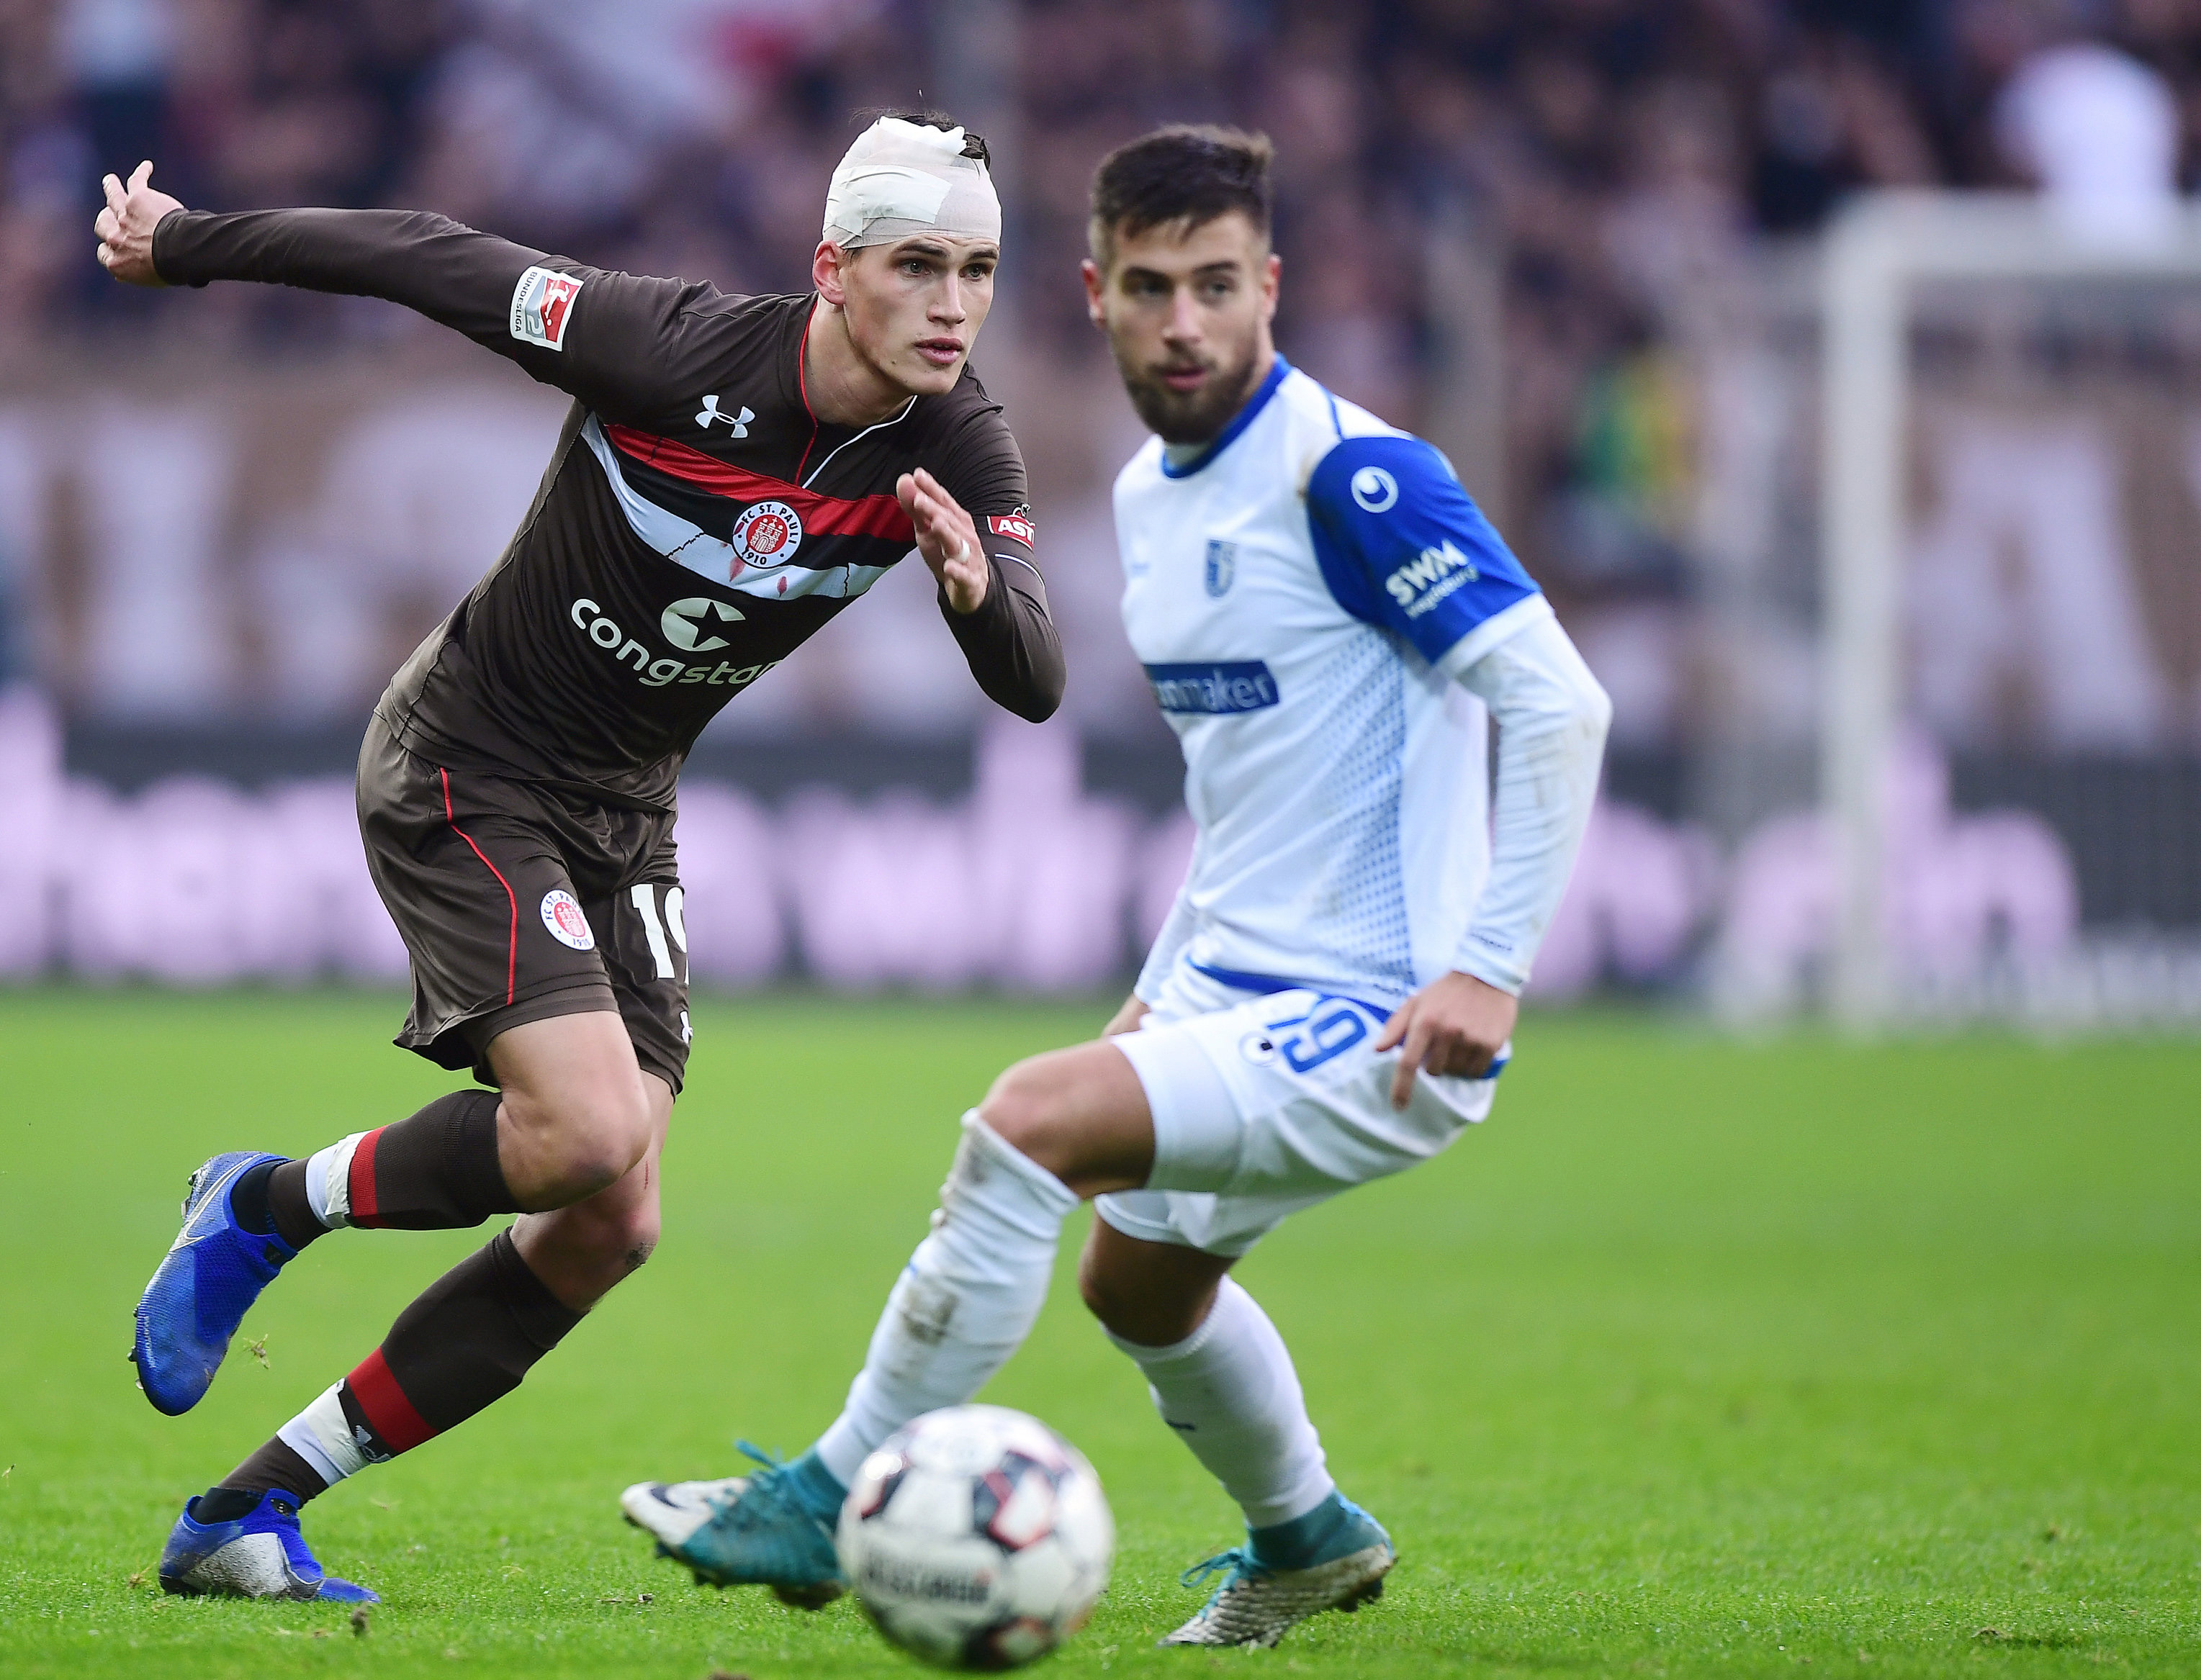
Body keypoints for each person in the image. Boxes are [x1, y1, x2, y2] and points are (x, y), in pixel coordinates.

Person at [622, 125, 1611, 1650]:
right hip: (1243, 982)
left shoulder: (1354, 480)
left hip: (1386, 1012)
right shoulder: (1151, 499)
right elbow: (1242, 800)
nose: (1184, 323)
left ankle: (826, 1495)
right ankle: (1309, 1537)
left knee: (1024, 1119)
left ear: (1268, 285)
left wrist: (1489, 967)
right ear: (1093, 293)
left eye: (1217, 284)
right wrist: (1165, 987)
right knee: (1137, 1285)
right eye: (1149, 288)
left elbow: (1557, 705)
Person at [94, 112, 1065, 1604]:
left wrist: (968, 595)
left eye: (979, 270)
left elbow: (1035, 673)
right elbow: (430, 259)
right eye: (917, 265)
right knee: (585, 1133)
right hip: (466, 757)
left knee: (608, 1219)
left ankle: (245, 1509)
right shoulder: (669, 351)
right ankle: (263, 1205)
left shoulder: (952, 438)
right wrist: (189, 247)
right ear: (830, 270)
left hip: (625, 806)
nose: (952, 304)